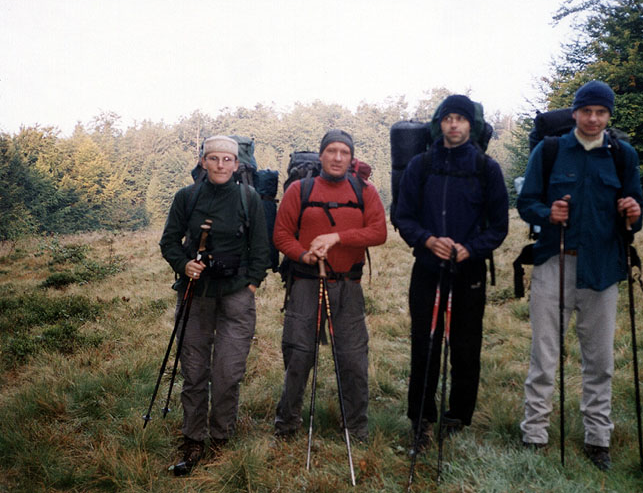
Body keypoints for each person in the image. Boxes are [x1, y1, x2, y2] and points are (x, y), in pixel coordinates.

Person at [517, 80, 643, 470]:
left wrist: (633, 213)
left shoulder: (623, 156)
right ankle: (534, 433)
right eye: (586, 111)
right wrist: (546, 214)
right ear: (574, 113)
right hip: (554, 262)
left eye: (600, 112)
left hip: (603, 267)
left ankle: (598, 438)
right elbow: (526, 202)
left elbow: (637, 211)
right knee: (544, 355)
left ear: (608, 116)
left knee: (600, 360)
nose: (592, 118)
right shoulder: (550, 150)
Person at [394, 94, 509, 450]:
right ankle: (421, 420)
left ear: (471, 125)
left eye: (461, 119)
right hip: (428, 268)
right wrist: (427, 240)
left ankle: (457, 417)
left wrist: (469, 249)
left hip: (468, 271)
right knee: (424, 345)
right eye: (448, 118)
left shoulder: (486, 168)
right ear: (439, 123)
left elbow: (499, 226)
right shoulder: (420, 165)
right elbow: (402, 215)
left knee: (465, 346)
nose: (454, 124)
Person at [159, 135, 269, 475]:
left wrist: (250, 284)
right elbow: (169, 242)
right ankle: (193, 437)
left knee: (227, 372)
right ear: (203, 162)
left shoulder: (248, 198)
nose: (221, 165)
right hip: (196, 295)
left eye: (227, 160)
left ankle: (221, 436)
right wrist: (184, 265)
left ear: (237, 165)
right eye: (214, 159)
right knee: (193, 370)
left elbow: (261, 250)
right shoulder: (186, 198)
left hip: (236, 295)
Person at [273, 129, 387, 443]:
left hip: (348, 286)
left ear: (351, 158)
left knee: (352, 358)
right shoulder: (300, 190)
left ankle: (356, 428)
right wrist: (304, 255)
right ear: (321, 154)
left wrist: (337, 237)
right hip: (305, 284)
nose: (337, 157)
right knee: (298, 355)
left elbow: (379, 232)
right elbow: (281, 235)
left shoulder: (365, 191)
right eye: (332, 151)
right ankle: (286, 425)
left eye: (344, 152)